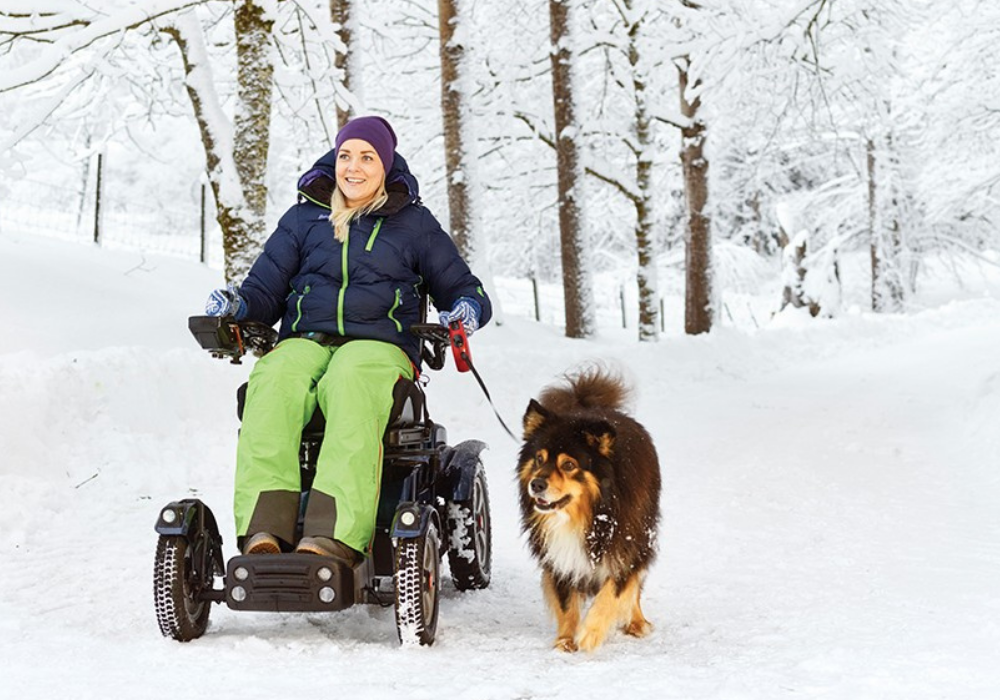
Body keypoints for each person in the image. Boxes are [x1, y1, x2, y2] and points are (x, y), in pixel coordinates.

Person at [203, 115, 491, 564]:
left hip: (378, 346)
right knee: (275, 375)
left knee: (350, 378)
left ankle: (330, 534)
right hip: (306, 340)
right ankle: (264, 530)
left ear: (386, 165)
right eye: (345, 156)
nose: (353, 167)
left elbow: (463, 288)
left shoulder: (413, 224)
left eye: (367, 157)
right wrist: (237, 305)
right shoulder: (303, 219)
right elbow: (264, 290)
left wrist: (466, 310)